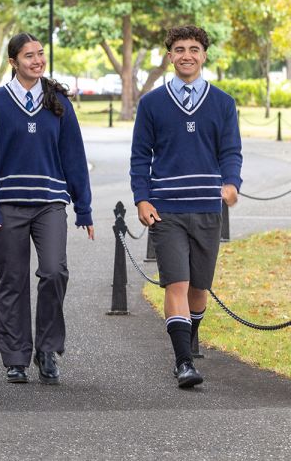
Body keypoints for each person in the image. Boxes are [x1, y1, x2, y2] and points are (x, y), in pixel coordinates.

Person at [0, 33, 94, 385]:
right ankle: (15, 358)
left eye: (40, 54)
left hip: (50, 204)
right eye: (29, 55)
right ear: (13, 61)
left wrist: (83, 208)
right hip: (8, 205)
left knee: (55, 271)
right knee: (12, 280)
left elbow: (74, 157)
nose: (37, 60)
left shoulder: (57, 102)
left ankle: (47, 349)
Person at [132, 25, 242, 388]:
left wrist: (231, 183)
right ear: (169, 56)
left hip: (208, 207)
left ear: (204, 55)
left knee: (199, 287)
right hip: (167, 210)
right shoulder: (151, 103)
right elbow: (140, 157)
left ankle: (190, 333)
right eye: (179, 49)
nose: (187, 55)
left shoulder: (223, 103)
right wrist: (142, 198)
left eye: (194, 48)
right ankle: (183, 363)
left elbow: (230, 151)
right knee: (176, 284)